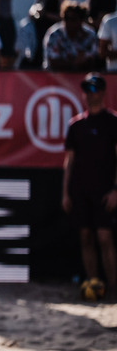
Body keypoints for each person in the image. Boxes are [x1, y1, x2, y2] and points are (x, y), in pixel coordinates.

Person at [63, 74, 117, 298]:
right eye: (86, 89)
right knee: (85, 236)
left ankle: (113, 289)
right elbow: (69, 161)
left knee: (104, 237)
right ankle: (94, 284)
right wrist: (65, 193)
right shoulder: (76, 125)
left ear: (103, 92)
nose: (90, 93)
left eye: (94, 89)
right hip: (80, 189)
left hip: (104, 189)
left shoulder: (113, 122)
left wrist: (116, 190)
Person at [44, 0, 98, 73]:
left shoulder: (90, 35)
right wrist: (74, 63)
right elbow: (52, 62)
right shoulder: (54, 34)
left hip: (82, 76)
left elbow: (94, 60)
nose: (68, 22)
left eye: (73, 19)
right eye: (66, 18)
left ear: (81, 20)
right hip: (56, 78)